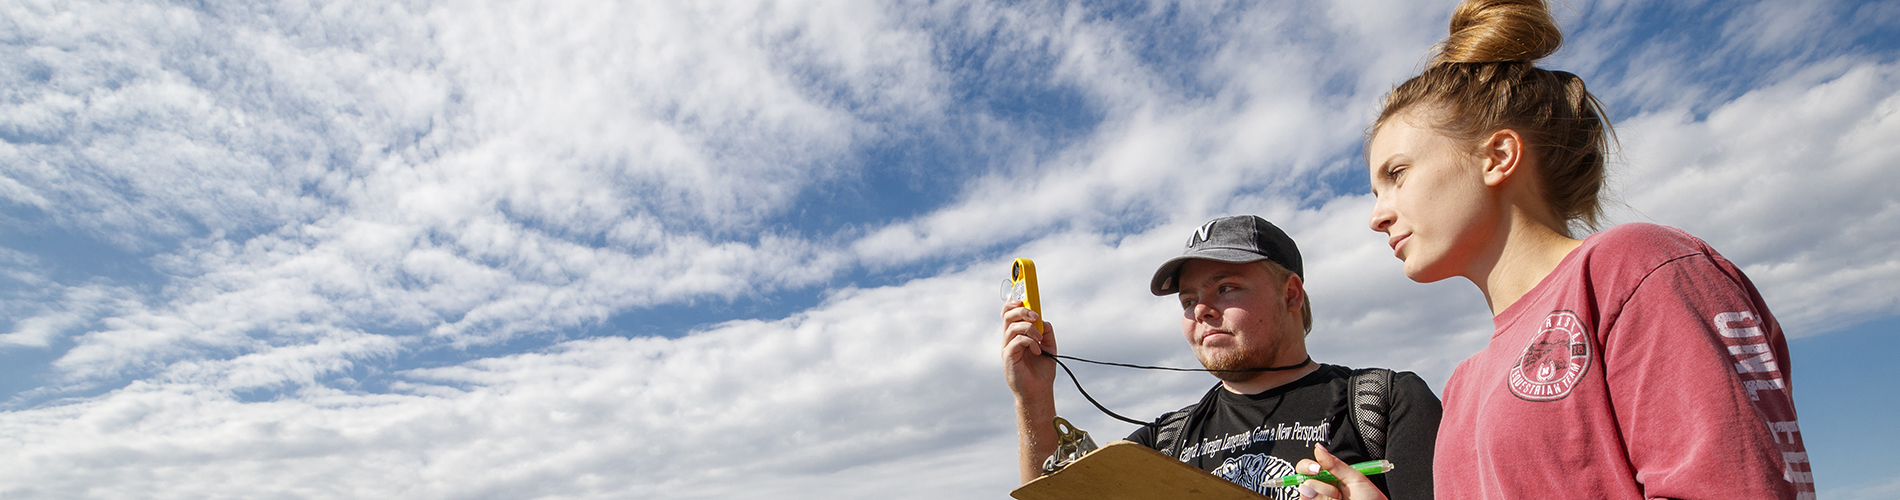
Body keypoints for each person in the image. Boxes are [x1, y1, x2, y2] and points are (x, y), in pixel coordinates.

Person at [1295, 1, 1816, 499]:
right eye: (1375, 190)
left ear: (1498, 156)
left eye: (1398, 174)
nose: (1376, 215)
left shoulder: (1636, 269)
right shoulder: (1462, 385)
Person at [1002, 215, 1442, 499]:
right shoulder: (1165, 444)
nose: (1201, 310)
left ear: (1290, 294)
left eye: (1226, 287)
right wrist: (1035, 400)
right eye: (1187, 300)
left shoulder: (1382, 403)